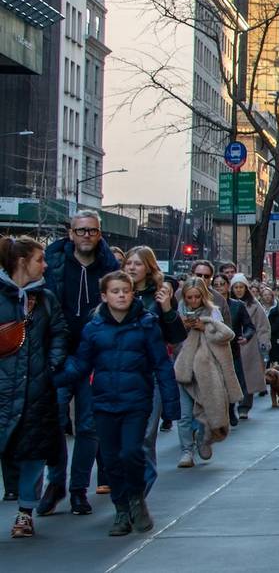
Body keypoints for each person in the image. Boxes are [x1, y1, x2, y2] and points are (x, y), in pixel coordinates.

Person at [55, 271, 180, 537]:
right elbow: (80, 364)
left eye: (125, 290)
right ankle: (121, 509)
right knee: (110, 460)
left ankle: (136, 498)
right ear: (104, 296)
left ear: (133, 293)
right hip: (103, 402)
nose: (121, 295)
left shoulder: (146, 324)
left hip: (136, 401)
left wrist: (170, 406)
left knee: (132, 452)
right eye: (115, 291)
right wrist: (51, 378)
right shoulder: (94, 328)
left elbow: (162, 365)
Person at [39, 210, 121, 517]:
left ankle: (78, 490)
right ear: (70, 233)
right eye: (81, 231)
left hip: (95, 357)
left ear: (99, 234)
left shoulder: (109, 267)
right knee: (54, 422)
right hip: (59, 356)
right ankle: (55, 483)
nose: (86, 236)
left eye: (92, 231)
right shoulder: (54, 263)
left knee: (89, 426)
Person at [0, 236, 68, 538]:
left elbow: (59, 334)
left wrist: (50, 366)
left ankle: (25, 512)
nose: (45, 265)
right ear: (22, 261)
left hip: (36, 388)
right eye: (40, 259)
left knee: (33, 451)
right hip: (3, 387)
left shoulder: (45, 299)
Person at [122, 247, 185, 499]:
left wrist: (167, 308)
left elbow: (177, 335)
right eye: (128, 263)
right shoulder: (117, 292)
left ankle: (137, 496)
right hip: (122, 372)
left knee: (146, 435)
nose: (131, 268)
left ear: (149, 267)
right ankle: (127, 491)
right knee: (121, 441)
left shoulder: (160, 295)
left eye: (137, 264)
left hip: (152, 373)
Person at [171, 278, 241, 468]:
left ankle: (204, 439)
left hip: (206, 369)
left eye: (197, 297)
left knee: (206, 409)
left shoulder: (213, 312)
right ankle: (186, 450)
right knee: (184, 415)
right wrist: (181, 327)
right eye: (189, 297)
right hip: (182, 367)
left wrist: (206, 327)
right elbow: (169, 338)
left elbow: (225, 335)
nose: (193, 301)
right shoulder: (177, 312)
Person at [231, 275, 269, 420]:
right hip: (232, 345)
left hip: (250, 346)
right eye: (236, 287)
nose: (239, 290)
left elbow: (262, 326)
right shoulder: (227, 303)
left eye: (241, 287)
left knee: (247, 378)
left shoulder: (255, 305)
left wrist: (264, 342)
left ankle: (244, 407)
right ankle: (231, 406)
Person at [222, 281, 255, 427]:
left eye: (222, 284)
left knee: (231, 382)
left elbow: (249, 326)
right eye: (215, 284)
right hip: (210, 350)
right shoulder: (207, 304)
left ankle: (230, 408)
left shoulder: (237, 305)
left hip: (232, 350)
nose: (219, 287)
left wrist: (245, 336)